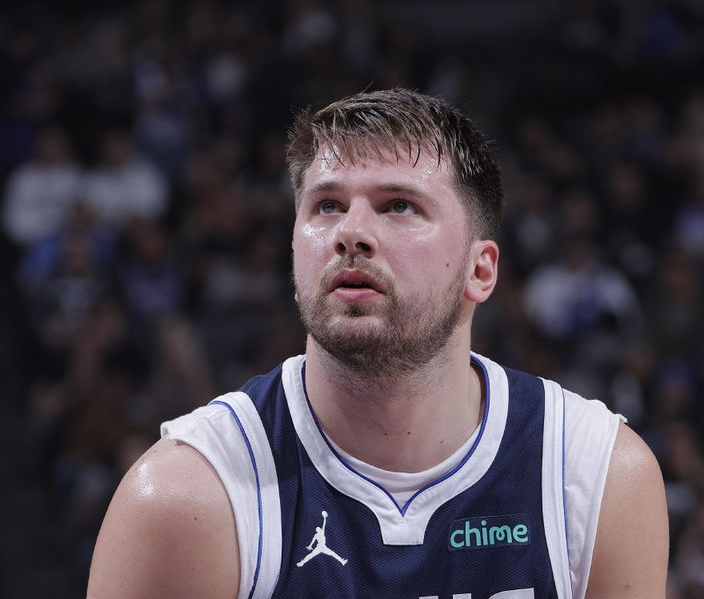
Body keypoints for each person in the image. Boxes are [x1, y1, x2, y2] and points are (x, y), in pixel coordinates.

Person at [87, 88, 668, 598]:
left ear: (480, 270)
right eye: (327, 206)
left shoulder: (595, 478)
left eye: (398, 206)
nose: (351, 234)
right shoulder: (183, 499)